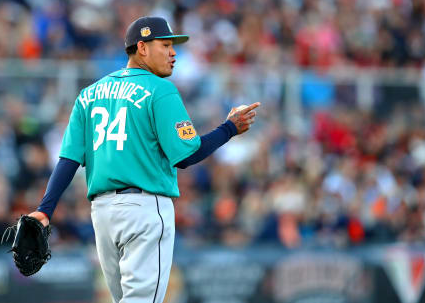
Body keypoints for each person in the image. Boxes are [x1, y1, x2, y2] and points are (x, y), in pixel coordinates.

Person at [28, 16, 260, 303]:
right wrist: (229, 129)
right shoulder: (159, 89)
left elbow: (68, 160)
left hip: (102, 214)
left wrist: (44, 209)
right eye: (165, 45)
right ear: (142, 48)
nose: (174, 53)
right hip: (144, 210)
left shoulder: (88, 94)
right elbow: (188, 155)